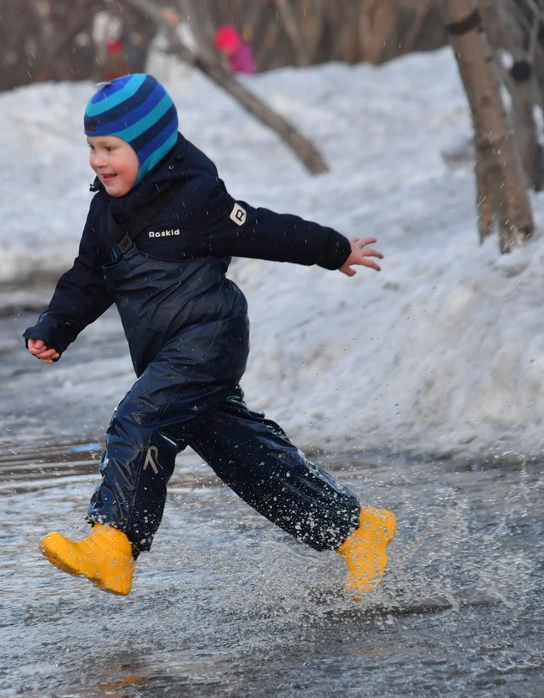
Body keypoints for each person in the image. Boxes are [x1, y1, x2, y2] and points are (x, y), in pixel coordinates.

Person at [24, 74, 395, 599]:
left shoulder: (196, 199)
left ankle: (113, 543)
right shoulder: (105, 212)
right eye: (91, 148)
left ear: (149, 146)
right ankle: (357, 531)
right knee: (249, 461)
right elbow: (89, 275)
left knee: (140, 418)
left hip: (208, 341)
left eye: (110, 148)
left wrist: (334, 250)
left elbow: (264, 229)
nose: (97, 161)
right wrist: (55, 327)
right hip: (165, 354)